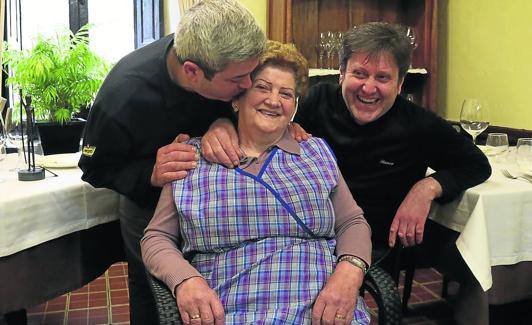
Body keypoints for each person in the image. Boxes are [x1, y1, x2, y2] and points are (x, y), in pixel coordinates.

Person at [202, 22, 492, 324]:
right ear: (341, 73)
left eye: (383, 77)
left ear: (400, 84)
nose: (369, 88)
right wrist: (220, 124)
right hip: (303, 232)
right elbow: (259, 117)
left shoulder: (419, 125)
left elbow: (476, 164)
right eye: (359, 74)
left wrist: (427, 188)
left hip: (371, 240)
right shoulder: (317, 102)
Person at [141, 40, 372, 325]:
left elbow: (352, 221)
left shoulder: (315, 152)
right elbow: (156, 237)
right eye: (262, 88)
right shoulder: (191, 158)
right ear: (236, 99)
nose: (274, 101)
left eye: (286, 94)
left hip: (322, 308)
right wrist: (186, 280)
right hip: (230, 310)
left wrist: (350, 271)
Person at [78, 1, 266, 323]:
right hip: (149, 203)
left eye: (252, 74)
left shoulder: (222, 60)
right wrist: (150, 172)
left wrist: (224, 120)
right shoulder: (123, 96)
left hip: (213, 195)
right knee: (152, 288)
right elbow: (94, 167)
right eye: (238, 80)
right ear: (192, 71)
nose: (248, 86)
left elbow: (245, 102)